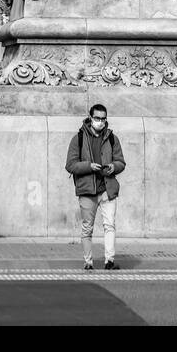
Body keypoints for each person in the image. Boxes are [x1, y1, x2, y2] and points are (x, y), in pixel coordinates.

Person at [64, 104, 126, 272]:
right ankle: (88, 262)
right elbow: (70, 165)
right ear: (90, 118)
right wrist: (89, 166)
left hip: (107, 188)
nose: (100, 122)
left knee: (109, 225)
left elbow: (121, 162)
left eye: (103, 119)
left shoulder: (112, 138)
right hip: (87, 190)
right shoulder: (78, 138)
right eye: (97, 118)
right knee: (87, 227)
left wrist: (114, 166)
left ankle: (109, 261)